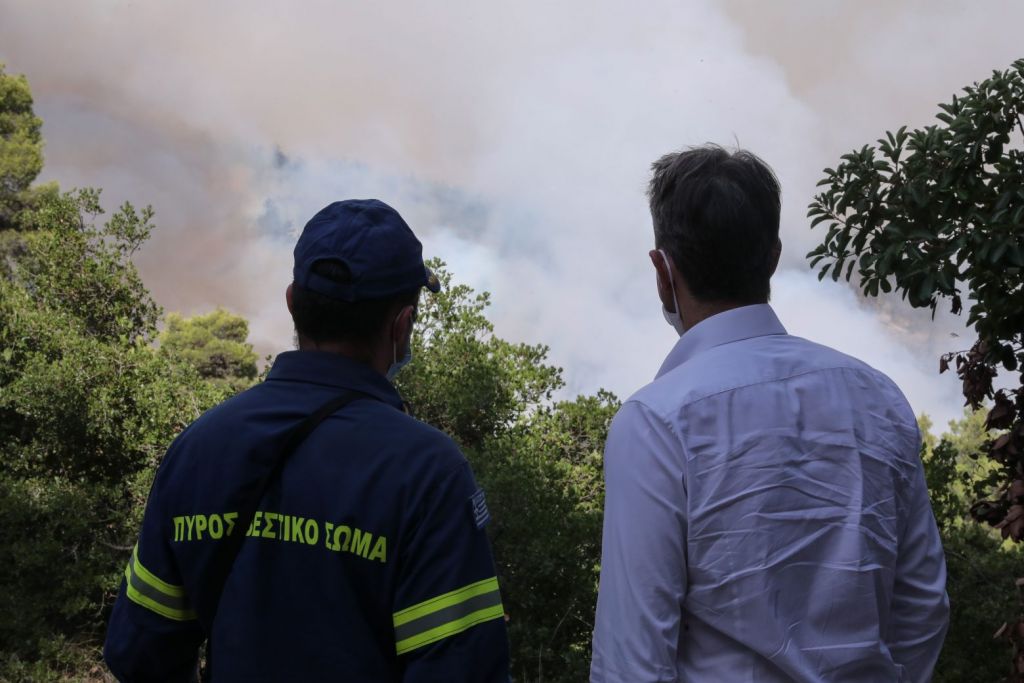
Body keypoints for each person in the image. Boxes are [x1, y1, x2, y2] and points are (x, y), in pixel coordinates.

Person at [104, 199, 510, 682]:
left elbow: (141, 653)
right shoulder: (429, 472)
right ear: (402, 325)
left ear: (293, 301)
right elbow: (463, 671)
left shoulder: (199, 447)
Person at [590, 146, 949, 682]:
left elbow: (632, 659)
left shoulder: (657, 424)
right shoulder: (878, 398)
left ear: (662, 272)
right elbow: (922, 606)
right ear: (773, 257)